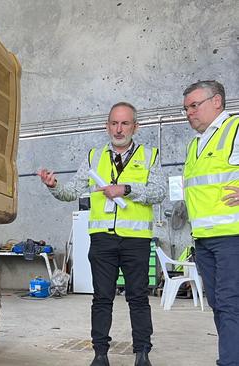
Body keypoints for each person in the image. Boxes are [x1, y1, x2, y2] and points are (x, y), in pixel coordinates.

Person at [38, 102, 166, 366]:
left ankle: (142, 353)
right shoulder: (94, 156)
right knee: (102, 298)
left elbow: (159, 193)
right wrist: (54, 185)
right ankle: (100, 355)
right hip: (103, 239)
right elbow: (71, 191)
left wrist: (127, 189)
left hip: (136, 241)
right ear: (107, 126)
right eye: (114, 123)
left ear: (135, 126)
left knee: (138, 298)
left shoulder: (150, 156)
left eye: (125, 123)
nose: (119, 129)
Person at [182, 80, 239, 366]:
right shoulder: (196, 144)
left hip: (233, 237)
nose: (189, 113)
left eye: (195, 105)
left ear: (216, 102)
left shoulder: (235, 128)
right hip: (204, 239)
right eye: (186, 108)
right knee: (220, 305)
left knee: (230, 304)